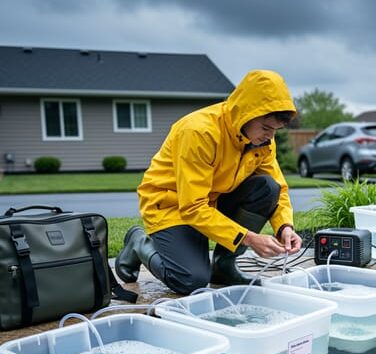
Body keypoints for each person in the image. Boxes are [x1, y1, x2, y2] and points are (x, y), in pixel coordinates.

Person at [114, 69, 302, 294]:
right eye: (266, 128)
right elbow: (192, 207)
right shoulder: (199, 132)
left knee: (267, 188)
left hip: (212, 202)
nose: (270, 137)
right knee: (190, 281)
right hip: (171, 206)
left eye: (275, 131)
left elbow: (278, 189)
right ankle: (139, 244)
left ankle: (224, 267)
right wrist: (249, 239)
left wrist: (285, 227)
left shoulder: (261, 142)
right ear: (246, 114)